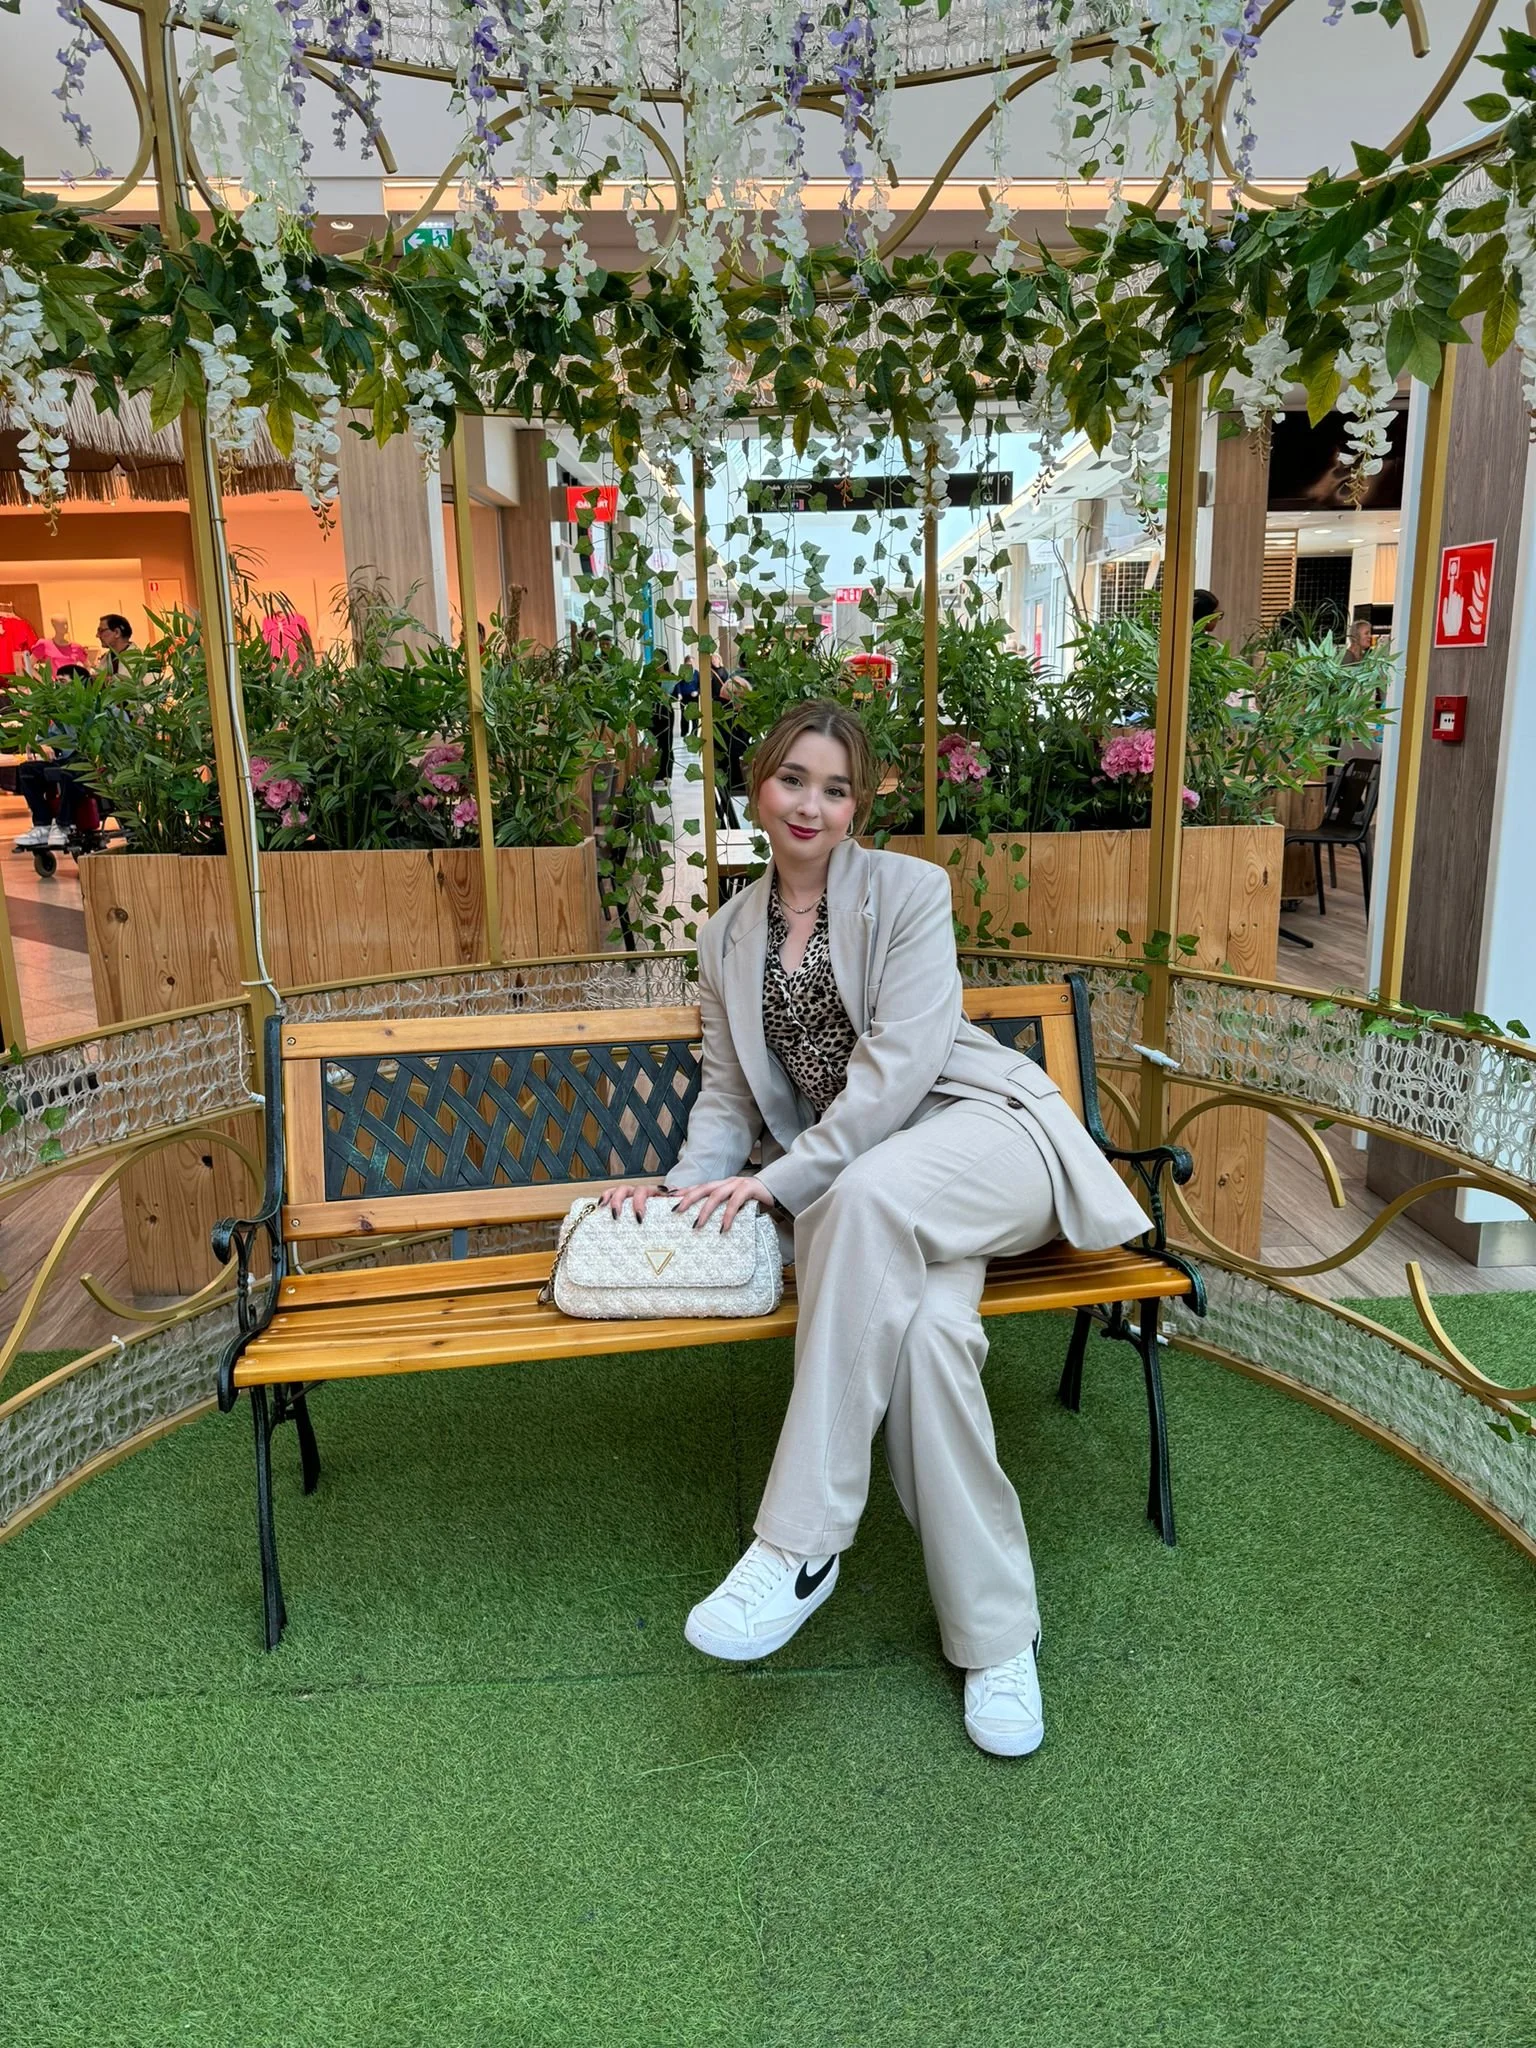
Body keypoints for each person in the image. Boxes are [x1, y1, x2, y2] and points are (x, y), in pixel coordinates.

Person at [600, 701, 1150, 1757]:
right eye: (794, 779)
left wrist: (784, 1184)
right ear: (758, 787)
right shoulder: (724, 935)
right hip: (873, 1196)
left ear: (860, 805)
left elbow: (900, 1070)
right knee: (933, 1339)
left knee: (855, 1200)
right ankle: (997, 1638)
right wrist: (689, 1188)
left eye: (837, 786)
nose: (813, 803)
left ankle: (796, 1545)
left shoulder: (908, 893)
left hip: (979, 1140)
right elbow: (726, 1097)